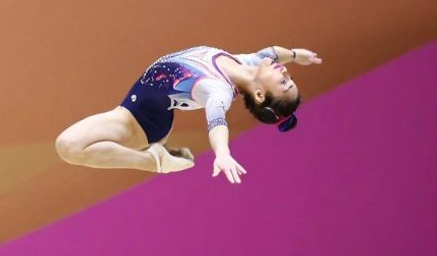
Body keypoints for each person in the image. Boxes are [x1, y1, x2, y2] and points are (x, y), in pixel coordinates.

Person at [54, 45, 322, 183]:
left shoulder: (218, 91)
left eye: (285, 83)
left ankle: (155, 162)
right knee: (71, 146)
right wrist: (298, 54)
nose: (285, 72)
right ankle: (162, 157)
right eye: (290, 76)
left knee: (68, 146)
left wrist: (223, 153)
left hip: (139, 120)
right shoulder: (247, 62)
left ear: (261, 95)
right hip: (139, 108)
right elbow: (275, 52)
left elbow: (217, 122)